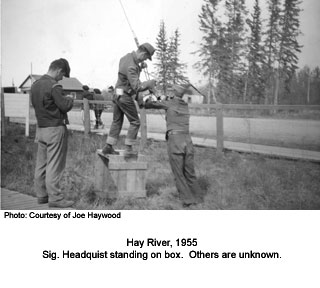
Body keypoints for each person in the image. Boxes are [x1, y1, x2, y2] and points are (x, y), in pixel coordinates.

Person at [143, 84, 204, 207]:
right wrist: (161, 98)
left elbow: (148, 104)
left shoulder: (169, 103)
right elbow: (167, 103)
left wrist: (149, 96)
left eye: (170, 92)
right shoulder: (184, 105)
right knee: (189, 172)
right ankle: (198, 198)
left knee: (178, 173)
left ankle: (188, 200)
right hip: (187, 141)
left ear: (173, 94)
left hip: (175, 142)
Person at [31, 58, 74, 208]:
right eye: (62, 75)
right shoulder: (54, 86)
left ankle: (42, 195)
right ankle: (55, 198)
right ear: (59, 70)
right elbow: (63, 106)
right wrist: (69, 99)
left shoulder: (35, 85)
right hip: (55, 129)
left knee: (41, 164)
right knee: (54, 165)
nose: (61, 78)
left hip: (40, 129)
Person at [101, 42, 157, 156]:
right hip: (124, 96)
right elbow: (136, 86)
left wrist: (140, 68)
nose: (144, 60)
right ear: (142, 52)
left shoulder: (125, 58)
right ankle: (128, 149)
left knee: (117, 121)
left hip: (117, 95)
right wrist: (150, 83)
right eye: (145, 57)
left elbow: (127, 74)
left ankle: (108, 146)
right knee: (135, 122)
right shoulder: (132, 66)